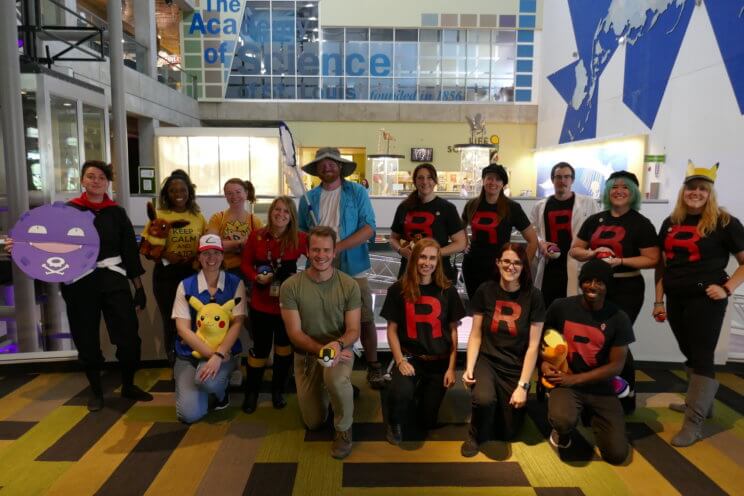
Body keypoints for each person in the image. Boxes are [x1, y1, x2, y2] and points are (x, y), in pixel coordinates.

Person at [5, 161, 152, 411]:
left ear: (107, 183)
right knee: (86, 339)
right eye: (91, 176)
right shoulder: (67, 211)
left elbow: (129, 251)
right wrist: (18, 247)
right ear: (82, 180)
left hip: (113, 278)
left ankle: (128, 384)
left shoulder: (117, 213)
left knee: (128, 337)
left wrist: (138, 287)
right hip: (80, 283)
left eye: (101, 177)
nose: (96, 181)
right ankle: (95, 391)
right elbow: (44, 238)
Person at [653, 162, 744, 447]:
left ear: (710, 193)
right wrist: (658, 300)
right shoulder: (671, 222)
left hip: (706, 300)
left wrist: (727, 287)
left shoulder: (724, 222)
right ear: (684, 191)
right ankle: (701, 402)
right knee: (689, 352)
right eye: (691, 187)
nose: (696, 192)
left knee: (702, 356)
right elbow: (661, 265)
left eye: (702, 189)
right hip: (676, 298)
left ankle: (694, 422)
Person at [568, 170, 659, 413]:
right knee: (596, 340)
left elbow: (652, 258)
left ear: (634, 193)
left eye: (625, 187)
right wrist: (593, 254)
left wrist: (619, 261)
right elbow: (575, 250)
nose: (619, 191)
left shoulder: (641, 224)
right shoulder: (595, 219)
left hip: (626, 289)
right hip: (596, 289)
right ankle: (596, 393)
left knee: (618, 342)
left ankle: (625, 397)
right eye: (614, 186)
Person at [297, 148, 383, 389]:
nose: (327, 167)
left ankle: (373, 366)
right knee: (323, 317)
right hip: (318, 267)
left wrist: (338, 247)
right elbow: (301, 230)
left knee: (364, 316)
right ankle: (327, 362)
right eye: (322, 164)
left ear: (340, 167)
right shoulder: (308, 198)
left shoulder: (357, 192)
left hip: (353, 265)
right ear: (316, 170)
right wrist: (319, 251)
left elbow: (369, 227)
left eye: (332, 163)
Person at [542, 259, 634, 465]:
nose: (593, 286)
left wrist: (573, 380)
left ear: (607, 287)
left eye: (600, 282)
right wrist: (544, 363)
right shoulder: (561, 306)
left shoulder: (619, 318)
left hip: (600, 387)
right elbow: (543, 339)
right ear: (581, 282)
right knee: (563, 420)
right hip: (565, 382)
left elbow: (616, 366)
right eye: (588, 281)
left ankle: (590, 414)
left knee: (617, 455)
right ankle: (563, 431)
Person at [280, 226, 361, 459]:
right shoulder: (291, 286)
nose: (321, 255)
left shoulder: (349, 285)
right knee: (314, 422)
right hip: (306, 355)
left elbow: (353, 330)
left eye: (326, 250)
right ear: (306, 251)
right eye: (315, 249)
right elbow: (295, 334)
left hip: (340, 350)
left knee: (334, 379)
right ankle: (335, 392)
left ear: (334, 252)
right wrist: (323, 351)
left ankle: (344, 428)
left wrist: (336, 346)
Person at [461, 243, 545, 456]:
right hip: (487, 361)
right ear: (498, 263)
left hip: (514, 365)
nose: (511, 266)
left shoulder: (533, 296)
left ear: (524, 267)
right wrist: (469, 367)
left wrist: (523, 386)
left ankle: (503, 409)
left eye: (517, 262)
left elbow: (534, 346)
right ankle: (474, 432)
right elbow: (476, 334)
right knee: (484, 400)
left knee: (509, 432)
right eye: (506, 261)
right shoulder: (485, 290)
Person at [381, 239, 465, 445]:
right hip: (411, 357)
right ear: (414, 258)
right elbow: (391, 330)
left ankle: (418, 392)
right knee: (400, 395)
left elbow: (454, 333)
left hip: (439, 360)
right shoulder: (397, 290)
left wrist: (451, 368)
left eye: (432, 258)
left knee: (426, 421)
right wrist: (400, 360)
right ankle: (393, 417)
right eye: (422, 257)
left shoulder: (448, 291)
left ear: (438, 262)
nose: (426, 262)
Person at [240, 196, 307, 413]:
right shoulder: (257, 236)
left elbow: (318, 259)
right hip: (260, 305)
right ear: (270, 212)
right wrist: (254, 277)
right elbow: (245, 264)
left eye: (286, 211)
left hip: (287, 308)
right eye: (277, 210)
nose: (280, 214)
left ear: (292, 216)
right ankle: (252, 393)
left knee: (283, 350)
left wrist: (304, 282)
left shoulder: (300, 238)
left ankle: (278, 391)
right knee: (259, 350)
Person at [171, 234, 246, 424]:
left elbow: (237, 323)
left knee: (208, 381)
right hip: (190, 353)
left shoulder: (235, 283)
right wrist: (212, 355)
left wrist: (219, 355)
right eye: (206, 253)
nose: (211, 258)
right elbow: (183, 330)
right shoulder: (185, 285)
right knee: (189, 415)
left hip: (224, 352)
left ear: (222, 256)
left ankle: (221, 391)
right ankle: (203, 387)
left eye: (216, 253)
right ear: (198, 257)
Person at [145, 169, 205, 365]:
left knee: (195, 319)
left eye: (183, 189)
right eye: (173, 190)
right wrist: (164, 254)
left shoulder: (198, 216)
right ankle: (175, 364)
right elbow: (146, 248)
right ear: (166, 194)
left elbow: (205, 245)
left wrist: (198, 257)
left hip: (192, 274)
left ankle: (192, 361)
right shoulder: (159, 215)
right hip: (166, 275)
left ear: (189, 192)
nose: (178, 193)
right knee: (172, 321)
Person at [462, 164, 537, 300]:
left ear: (503, 184)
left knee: (496, 309)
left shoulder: (512, 207)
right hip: (472, 266)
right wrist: (464, 243)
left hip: (499, 267)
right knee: (476, 308)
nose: (493, 182)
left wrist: (521, 266)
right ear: (483, 180)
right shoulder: (472, 205)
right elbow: (459, 228)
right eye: (489, 178)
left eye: (498, 179)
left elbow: (532, 240)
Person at [531, 162, 599, 307]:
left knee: (572, 309)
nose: (562, 181)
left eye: (567, 177)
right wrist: (541, 243)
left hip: (577, 264)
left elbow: (597, 233)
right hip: (550, 267)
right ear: (552, 180)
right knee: (547, 307)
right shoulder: (540, 206)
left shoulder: (588, 204)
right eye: (558, 177)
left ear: (572, 180)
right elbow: (534, 231)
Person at [389, 163, 467, 283]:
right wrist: (400, 250)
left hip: (438, 272)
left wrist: (433, 254)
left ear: (435, 181)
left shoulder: (447, 208)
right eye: (420, 178)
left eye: (429, 177)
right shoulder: (404, 207)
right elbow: (393, 238)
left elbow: (461, 243)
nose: (425, 182)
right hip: (409, 270)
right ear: (415, 181)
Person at [206, 178, 263, 279]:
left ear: (246, 193)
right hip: (223, 271)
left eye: (238, 192)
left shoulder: (255, 221)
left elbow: (260, 249)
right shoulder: (217, 218)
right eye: (229, 193)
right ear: (225, 196)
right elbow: (211, 244)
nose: (234, 196)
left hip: (248, 271)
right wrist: (240, 243)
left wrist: (226, 245)